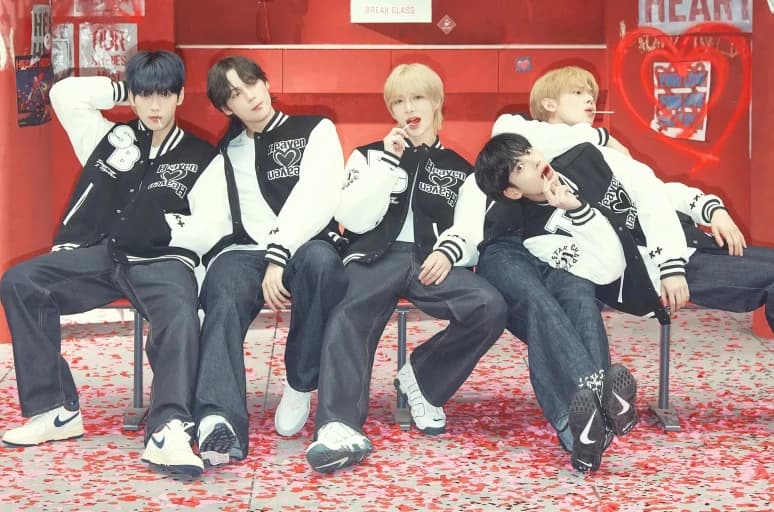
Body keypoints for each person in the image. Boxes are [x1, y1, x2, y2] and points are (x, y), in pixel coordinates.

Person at [0, 50, 231, 478]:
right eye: (146, 95)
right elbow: (65, 95)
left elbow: (216, 225)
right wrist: (129, 88)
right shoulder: (109, 138)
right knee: (21, 281)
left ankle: (168, 428)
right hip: (105, 256)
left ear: (181, 96)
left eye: (165, 94)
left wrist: (163, 229)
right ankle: (55, 409)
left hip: (163, 260)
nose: (155, 106)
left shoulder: (203, 155)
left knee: (180, 315)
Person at [305, 63, 507, 474]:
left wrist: (449, 251)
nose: (408, 108)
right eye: (398, 101)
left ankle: (424, 380)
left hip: (431, 260)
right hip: (374, 257)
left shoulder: (461, 168)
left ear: (436, 103)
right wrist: (387, 162)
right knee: (348, 314)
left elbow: (471, 229)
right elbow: (352, 218)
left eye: (417, 98)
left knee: (489, 306)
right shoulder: (368, 155)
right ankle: (338, 425)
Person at [469, 66, 646, 472]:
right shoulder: (495, 177)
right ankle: (604, 397)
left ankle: (583, 436)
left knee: (579, 297)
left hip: (553, 251)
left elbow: (603, 258)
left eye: (532, 155)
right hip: (504, 252)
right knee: (539, 305)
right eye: (522, 166)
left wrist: (575, 207)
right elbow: (467, 223)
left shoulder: (568, 180)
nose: (535, 162)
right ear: (511, 189)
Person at [193, 55, 348, 467]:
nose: (250, 97)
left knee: (322, 264)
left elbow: (318, 194)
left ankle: (300, 381)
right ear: (226, 107)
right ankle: (218, 417)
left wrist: (279, 254)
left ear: (265, 82)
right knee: (221, 291)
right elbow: (214, 214)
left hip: (305, 245)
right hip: (245, 252)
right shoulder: (226, 151)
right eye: (236, 94)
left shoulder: (315, 129)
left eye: (252, 83)